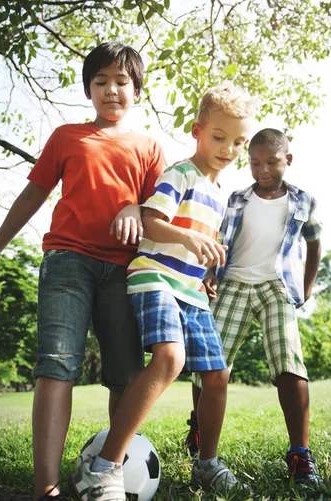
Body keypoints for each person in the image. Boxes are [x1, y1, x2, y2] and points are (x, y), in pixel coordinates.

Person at [0, 42, 166, 500]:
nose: (111, 90)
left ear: (137, 90)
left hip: (125, 270)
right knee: (56, 366)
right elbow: (32, 196)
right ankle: (47, 488)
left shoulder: (150, 147)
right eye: (100, 82)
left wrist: (137, 206)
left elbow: (163, 212)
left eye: (121, 82)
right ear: (88, 89)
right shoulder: (67, 137)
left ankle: (109, 474)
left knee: (124, 374)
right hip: (67, 262)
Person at [70, 83, 256, 500]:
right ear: (197, 131)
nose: (228, 149)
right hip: (154, 278)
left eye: (238, 142)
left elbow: (204, 244)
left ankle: (206, 463)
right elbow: (152, 223)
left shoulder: (221, 193)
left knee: (217, 375)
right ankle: (104, 467)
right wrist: (188, 240)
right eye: (219, 137)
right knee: (170, 358)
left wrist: (208, 271)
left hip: (191, 292)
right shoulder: (181, 173)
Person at [185, 128, 323, 486]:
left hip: (276, 287)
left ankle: (300, 455)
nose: (263, 170)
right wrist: (211, 273)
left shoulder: (303, 200)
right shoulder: (236, 199)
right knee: (211, 363)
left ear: (287, 160)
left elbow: (314, 243)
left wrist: (306, 288)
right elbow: (219, 239)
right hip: (234, 283)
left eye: (272, 162)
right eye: (255, 163)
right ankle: (198, 428)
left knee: (288, 362)